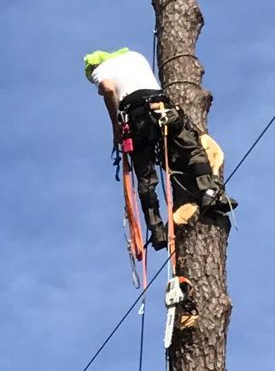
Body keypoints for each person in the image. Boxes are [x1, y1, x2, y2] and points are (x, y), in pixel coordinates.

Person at [84, 47, 231, 253]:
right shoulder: (134, 56)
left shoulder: (101, 69)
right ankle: (209, 190)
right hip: (162, 108)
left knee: (146, 177)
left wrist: (116, 126)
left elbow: (108, 89)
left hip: (136, 118)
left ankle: (156, 229)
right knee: (191, 148)